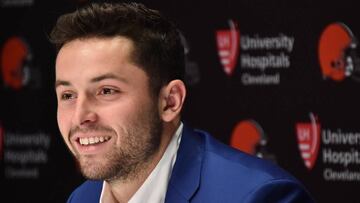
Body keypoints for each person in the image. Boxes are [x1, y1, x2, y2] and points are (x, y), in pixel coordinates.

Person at [50, 2, 315, 203]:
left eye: (106, 91)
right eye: (68, 95)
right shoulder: (83, 198)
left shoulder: (260, 196)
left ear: (170, 102)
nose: (80, 116)